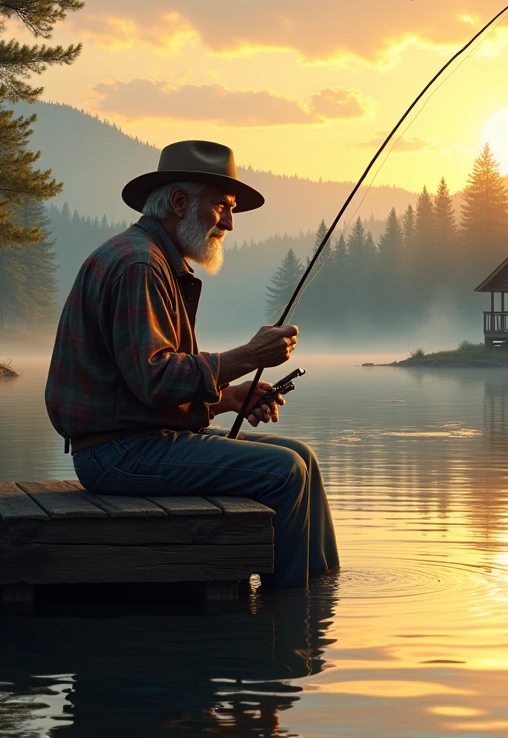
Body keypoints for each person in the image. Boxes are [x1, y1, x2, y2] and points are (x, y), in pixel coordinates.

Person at [45, 140, 339, 588]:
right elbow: (155, 379)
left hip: (133, 440)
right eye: (221, 206)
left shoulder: (151, 257)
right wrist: (248, 357)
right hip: (116, 454)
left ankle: (319, 593)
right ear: (179, 202)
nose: (230, 223)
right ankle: (293, 609)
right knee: (284, 472)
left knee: (303, 456)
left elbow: (137, 383)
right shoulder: (140, 265)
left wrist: (226, 399)